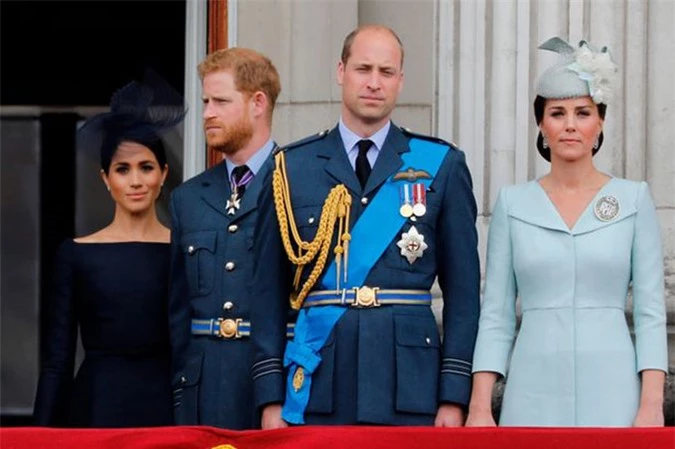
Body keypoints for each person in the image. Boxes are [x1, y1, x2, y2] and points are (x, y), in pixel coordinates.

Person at [250, 24, 480, 428]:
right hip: (317, 385)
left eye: (386, 72)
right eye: (363, 69)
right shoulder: (291, 168)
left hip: (410, 388)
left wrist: (454, 396)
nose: (374, 83)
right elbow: (267, 293)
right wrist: (270, 399)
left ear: (401, 81)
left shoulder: (440, 164)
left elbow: (463, 295)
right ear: (341, 71)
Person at [466, 37, 668, 427]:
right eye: (558, 113)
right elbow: (496, 314)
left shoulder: (633, 199)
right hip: (532, 386)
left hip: (615, 387)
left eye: (583, 112)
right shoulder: (513, 203)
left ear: (600, 121)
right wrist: (479, 405)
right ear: (541, 124)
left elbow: (649, 313)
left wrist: (652, 403)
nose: (571, 125)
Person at [33, 74, 185, 427]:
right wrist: (37, 435)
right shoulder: (76, 254)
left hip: (167, 412)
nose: (135, 180)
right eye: (123, 169)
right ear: (106, 178)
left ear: (162, 174)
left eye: (146, 167)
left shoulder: (183, 250)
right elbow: (57, 361)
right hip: (95, 411)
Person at [168, 47, 283, 429]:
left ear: (258, 103)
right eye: (205, 101)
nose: (207, 114)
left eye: (220, 101)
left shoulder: (298, 184)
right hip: (203, 392)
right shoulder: (188, 198)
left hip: (274, 387)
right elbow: (179, 310)